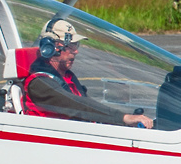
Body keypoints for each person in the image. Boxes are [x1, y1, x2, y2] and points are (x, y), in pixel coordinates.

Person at [23, 18, 155, 128]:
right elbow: (77, 105)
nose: (76, 51)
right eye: (71, 46)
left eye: (76, 45)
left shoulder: (67, 76)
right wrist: (123, 117)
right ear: (52, 47)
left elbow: (87, 106)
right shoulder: (40, 84)